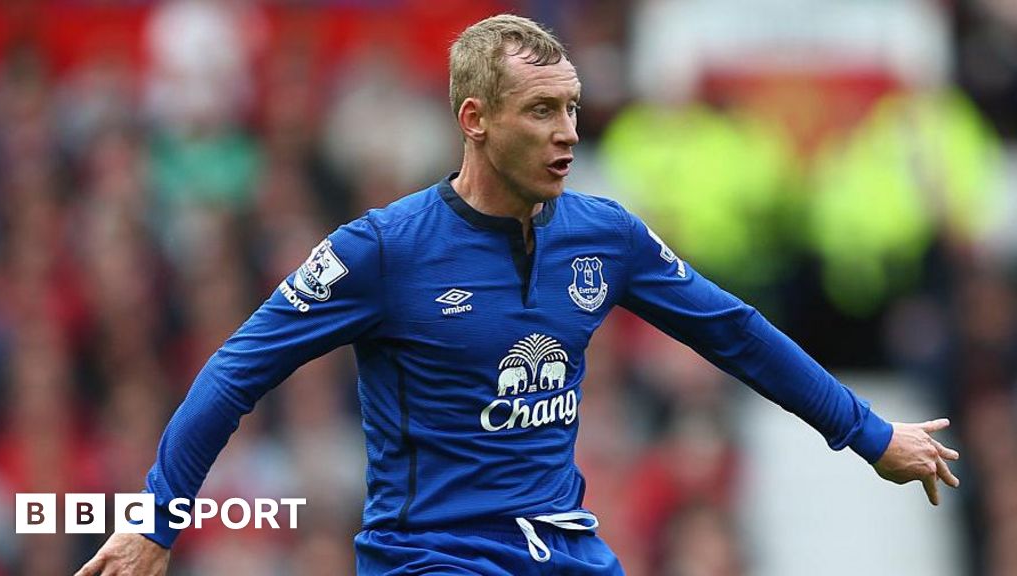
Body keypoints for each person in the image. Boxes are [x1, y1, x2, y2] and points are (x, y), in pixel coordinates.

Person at [76, 14, 961, 576]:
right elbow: (236, 371)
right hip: (433, 559)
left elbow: (731, 331)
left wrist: (869, 432)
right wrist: (157, 520)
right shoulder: (382, 250)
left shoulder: (603, 236)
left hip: (566, 549)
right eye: (541, 111)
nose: (568, 134)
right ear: (475, 119)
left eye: (572, 109)